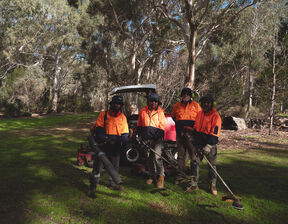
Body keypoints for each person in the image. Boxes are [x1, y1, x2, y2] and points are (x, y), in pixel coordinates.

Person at [89, 95, 129, 196]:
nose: (116, 105)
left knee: (115, 166)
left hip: (116, 146)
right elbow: (99, 128)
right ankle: (93, 186)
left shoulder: (123, 118)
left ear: (121, 106)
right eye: (115, 103)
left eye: (118, 104)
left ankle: (113, 183)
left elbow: (125, 133)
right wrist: (104, 138)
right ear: (111, 104)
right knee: (98, 166)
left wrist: (124, 142)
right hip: (103, 145)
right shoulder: (104, 114)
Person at [183, 95, 222, 195]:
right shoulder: (199, 113)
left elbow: (215, 134)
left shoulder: (215, 116)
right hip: (198, 144)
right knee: (194, 163)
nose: (205, 104)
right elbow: (196, 128)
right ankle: (194, 184)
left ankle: (212, 185)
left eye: (208, 102)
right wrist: (193, 139)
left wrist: (208, 146)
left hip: (210, 145)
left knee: (212, 166)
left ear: (211, 104)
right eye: (204, 102)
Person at [171, 88, 201, 184]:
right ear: (181, 95)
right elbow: (173, 117)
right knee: (181, 156)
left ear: (191, 95)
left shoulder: (196, 106)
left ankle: (194, 179)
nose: (185, 95)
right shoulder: (176, 106)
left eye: (187, 94)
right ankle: (180, 176)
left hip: (191, 136)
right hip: (180, 135)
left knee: (193, 156)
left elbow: (200, 120)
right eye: (183, 94)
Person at [137, 93, 166, 188]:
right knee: (149, 158)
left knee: (157, 157)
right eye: (151, 101)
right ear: (148, 102)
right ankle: (152, 176)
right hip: (146, 139)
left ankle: (161, 177)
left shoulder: (160, 112)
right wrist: (140, 136)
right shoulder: (142, 111)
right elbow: (140, 125)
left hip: (157, 139)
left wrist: (154, 139)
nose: (153, 102)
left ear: (157, 103)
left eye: (155, 101)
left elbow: (162, 128)